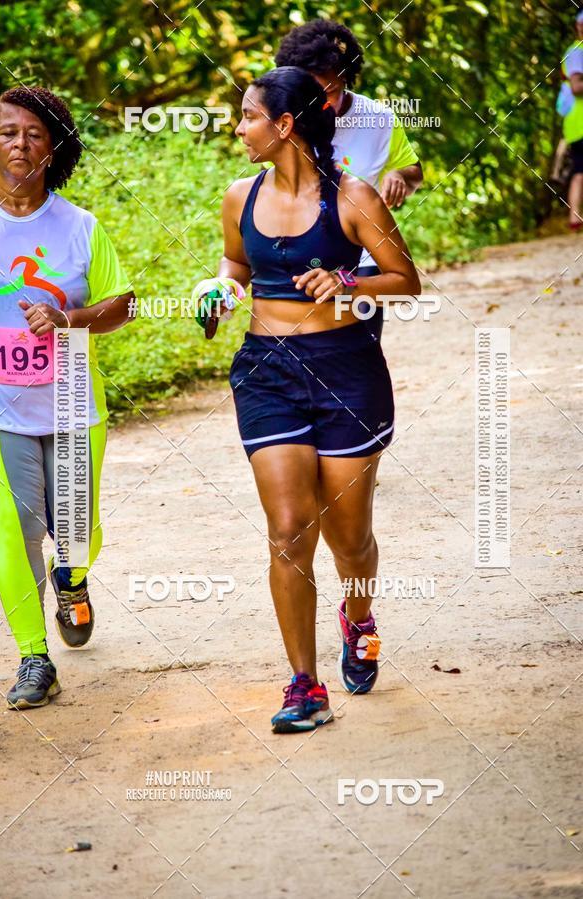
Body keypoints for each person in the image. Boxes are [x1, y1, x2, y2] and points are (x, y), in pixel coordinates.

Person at [211, 66, 420, 733]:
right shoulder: (239, 195)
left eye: (248, 115)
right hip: (267, 372)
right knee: (288, 529)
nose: (239, 128)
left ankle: (358, 617)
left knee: (349, 537)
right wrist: (219, 291)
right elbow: (237, 264)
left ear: (286, 124)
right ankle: (304, 683)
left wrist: (347, 277)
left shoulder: (352, 196)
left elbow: (405, 279)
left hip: (345, 372)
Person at [0, 87, 134, 709]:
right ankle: (33, 658)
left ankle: (72, 578)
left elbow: (121, 306)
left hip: (73, 405)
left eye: (36, 134)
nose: (22, 144)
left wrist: (67, 317)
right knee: (16, 531)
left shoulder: (81, 227)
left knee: (76, 529)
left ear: (56, 146)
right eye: (8, 132)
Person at [275, 20, 423, 337]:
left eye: (332, 90)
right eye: (313, 94)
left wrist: (399, 175)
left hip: (363, 255)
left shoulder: (378, 120)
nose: (325, 102)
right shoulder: (286, 123)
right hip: (302, 251)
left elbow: (415, 173)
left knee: (359, 347)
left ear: (345, 79)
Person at [557, 10, 583, 230]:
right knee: (580, 171)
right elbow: (576, 87)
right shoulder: (576, 52)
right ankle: (574, 218)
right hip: (579, 122)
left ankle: (575, 218)